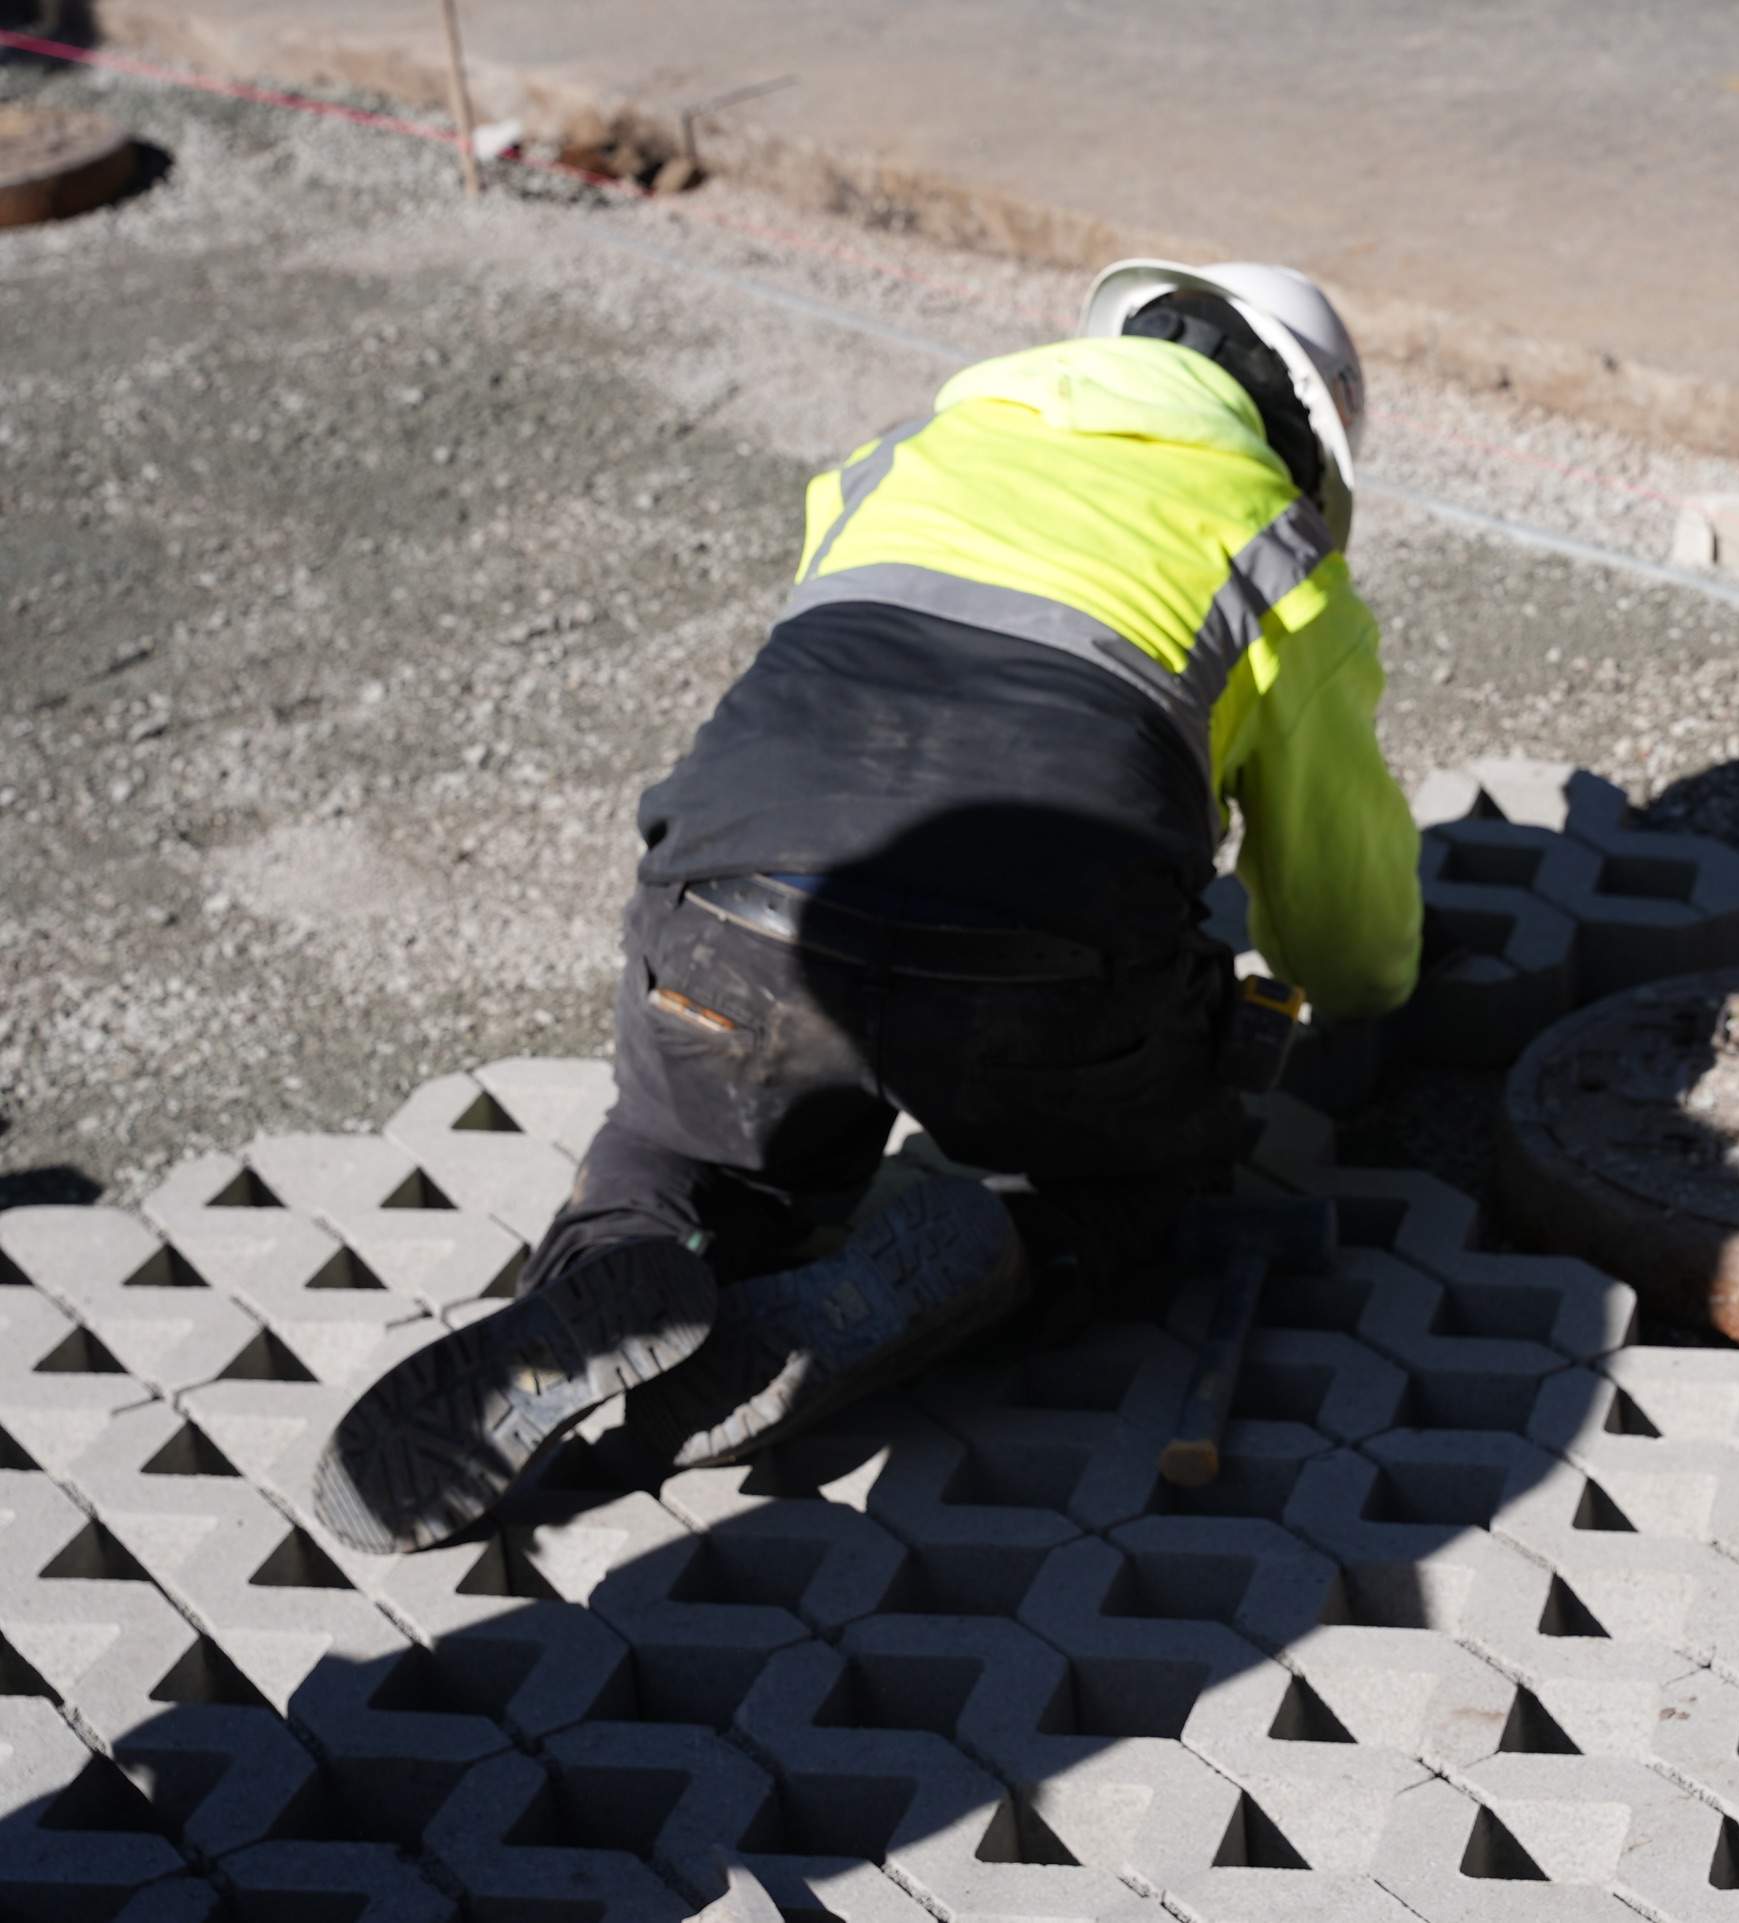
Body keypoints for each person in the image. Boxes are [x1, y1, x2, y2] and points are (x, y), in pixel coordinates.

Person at [312, 261, 1423, 1555]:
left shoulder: (896, 464)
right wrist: (1371, 994)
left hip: (735, 913)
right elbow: (1342, 924)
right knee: (1146, 1169)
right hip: (1039, 964)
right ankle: (990, 1247)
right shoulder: (1280, 559)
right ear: (1304, 437)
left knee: (680, 1142)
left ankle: (619, 1258)